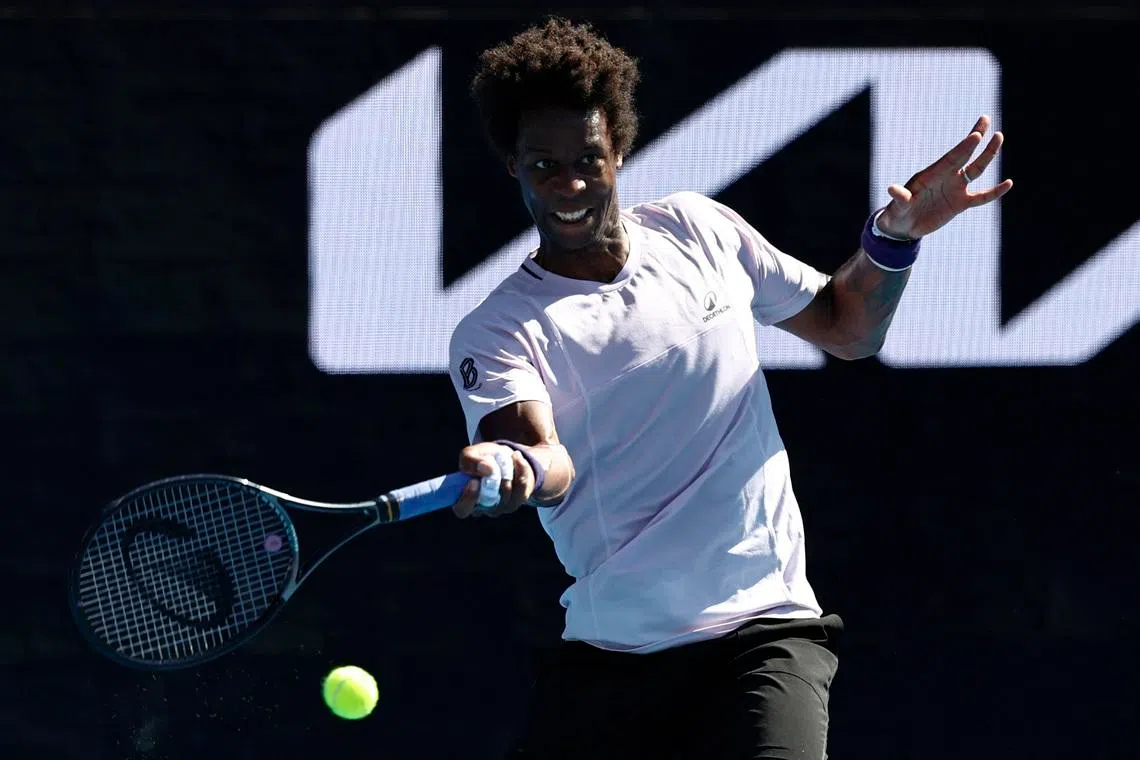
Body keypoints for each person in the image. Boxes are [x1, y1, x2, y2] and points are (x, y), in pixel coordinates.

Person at [445, 16, 1012, 760]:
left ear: (620, 147)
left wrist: (893, 240)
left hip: (764, 635)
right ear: (512, 167)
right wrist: (514, 466)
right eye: (544, 166)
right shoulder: (498, 329)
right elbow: (545, 458)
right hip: (614, 658)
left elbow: (847, 329)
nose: (572, 184)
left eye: (589, 157)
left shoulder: (699, 231)